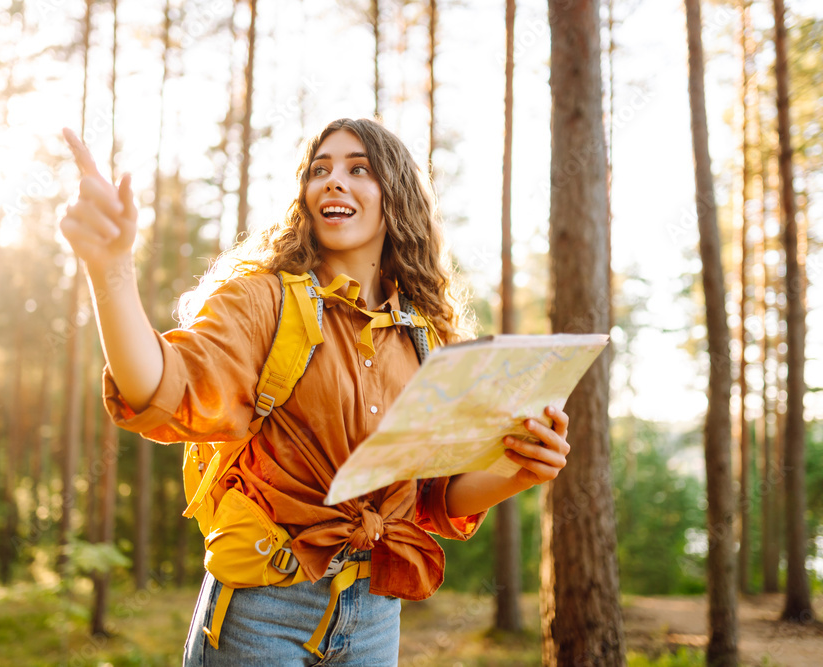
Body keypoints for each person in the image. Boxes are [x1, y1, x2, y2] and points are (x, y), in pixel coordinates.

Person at [60, 118, 571, 666]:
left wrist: (520, 470)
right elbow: (158, 386)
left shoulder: (429, 338)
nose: (334, 181)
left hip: (374, 615)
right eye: (320, 170)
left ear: (396, 197)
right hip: (261, 611)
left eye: (359, 169)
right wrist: (110, 270)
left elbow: (435, 495)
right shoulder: (262, 302)